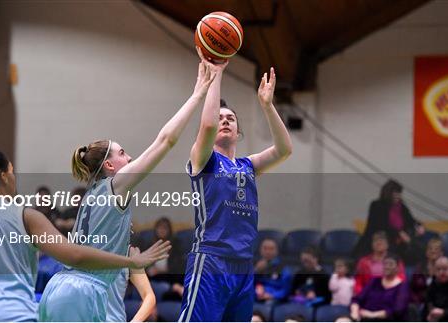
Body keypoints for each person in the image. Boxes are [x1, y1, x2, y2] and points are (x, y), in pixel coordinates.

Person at [38, 60, 216, 321]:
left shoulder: (92, 194)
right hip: (83, 290)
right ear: (109, 165)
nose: (130, 157)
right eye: (122, 153)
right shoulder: (116, 184)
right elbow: (166, 140)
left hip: (59, 287)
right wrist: (198, 94)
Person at [0, 131, 170, 322]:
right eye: (13, 171)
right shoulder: (24, 216)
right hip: (11, 314)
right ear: (3, 176)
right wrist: (130, 261)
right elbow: (74, 256)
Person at [178, 48, 293, 321]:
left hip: (243, 266)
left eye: (231, 118)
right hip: (210, 260)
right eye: (220, 118)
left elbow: (284, 149)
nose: (225, 120)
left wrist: (267, 105)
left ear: (238, 131)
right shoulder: (203, 158)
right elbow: (206, 127)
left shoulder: (247, 165)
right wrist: (216, 75)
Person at [354, 180, 425, 264]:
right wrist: (399, 233)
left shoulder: (401, 206)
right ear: (388, 194)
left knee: (418, 249)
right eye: (395, 194)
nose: (398, 196)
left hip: (398, 242)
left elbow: (411, 220)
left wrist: (419, 226)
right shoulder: (377, 205)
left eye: (399, 194)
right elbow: (380, 225)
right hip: (379, 240)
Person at [350, 254, 410, 321]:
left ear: (397, 268)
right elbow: (357, 299)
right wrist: (354, 313)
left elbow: (397, 311)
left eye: (391, 264)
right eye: (385, 264)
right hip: (364, 318)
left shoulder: (402, 286)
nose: (387, 267)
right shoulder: (374, 281)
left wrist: (372, 315)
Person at [254, 238, 293, 303]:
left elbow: (286, 290)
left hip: (273, 298)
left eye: (271, 249)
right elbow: (247, 285)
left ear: (276, 251)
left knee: (268, 303)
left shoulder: (283, 268)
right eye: (265, 248)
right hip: (256, 296)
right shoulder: (254, 265)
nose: (268, 252)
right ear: (260, 250)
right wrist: (256, 271)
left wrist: (271, 295)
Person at [410, 238, 443, 305]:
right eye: (430, 249)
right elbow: (413, 289)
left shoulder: (445, 269)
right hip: (421, 303)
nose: (433, 251)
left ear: (441, 253)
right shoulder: (419, 268)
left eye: (436, 249)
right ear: (426, 252)